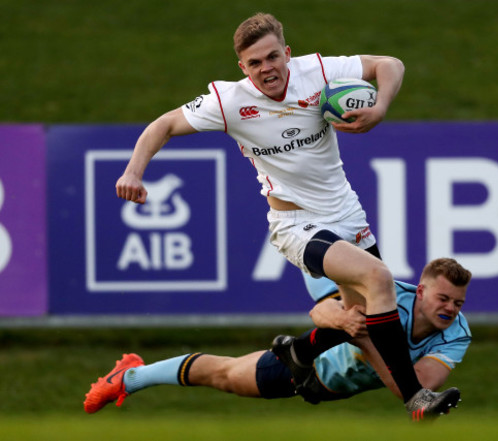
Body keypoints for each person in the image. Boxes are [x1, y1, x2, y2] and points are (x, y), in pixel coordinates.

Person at [114, 12, 442, 419]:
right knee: (379, 278)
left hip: (346, 212)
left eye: (272, 57)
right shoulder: (228, 101)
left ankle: (298, 351)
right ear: (242, 68)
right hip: (294, 223)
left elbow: (389, 64)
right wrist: (133, 171)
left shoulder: (317, 71)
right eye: (254, 63)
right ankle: (416, 397)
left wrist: (379, 108)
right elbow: (163, 124)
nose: (266, 69)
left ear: (287, 53)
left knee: (356, 320)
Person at [84, 258, 472, 422]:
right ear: (420, 292)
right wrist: (353, 328)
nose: (451, 308)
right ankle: (130, 376)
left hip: (333, 383)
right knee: (223, 375)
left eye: (458, 302)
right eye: (443, 298)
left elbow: (413, 387)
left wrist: (365, 338)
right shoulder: (388, 295)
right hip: (305, 370)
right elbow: (320, 314)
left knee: (355, 323)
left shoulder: (458, 334)